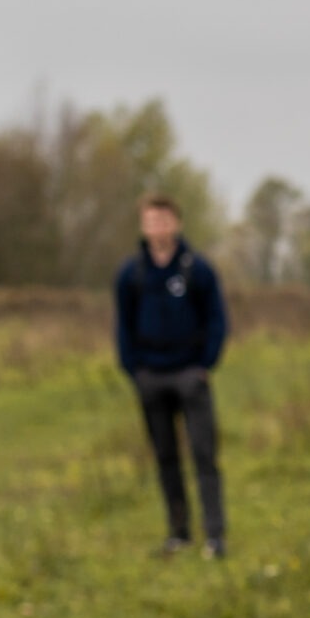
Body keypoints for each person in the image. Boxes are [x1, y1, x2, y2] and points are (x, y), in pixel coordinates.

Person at [112, 193, 228, 559]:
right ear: (143, 226)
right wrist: (135, 370)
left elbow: (217, 320)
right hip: (151, 377)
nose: (157, 227)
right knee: (166, 458)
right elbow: (123, 326)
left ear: (176, 223)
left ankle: (215, 536)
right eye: (151, 221)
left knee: (204, 454)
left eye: (163, 220)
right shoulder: (131, 274)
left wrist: (204, 366)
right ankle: (179, 533)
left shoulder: (198, 270)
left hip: (190, 375)